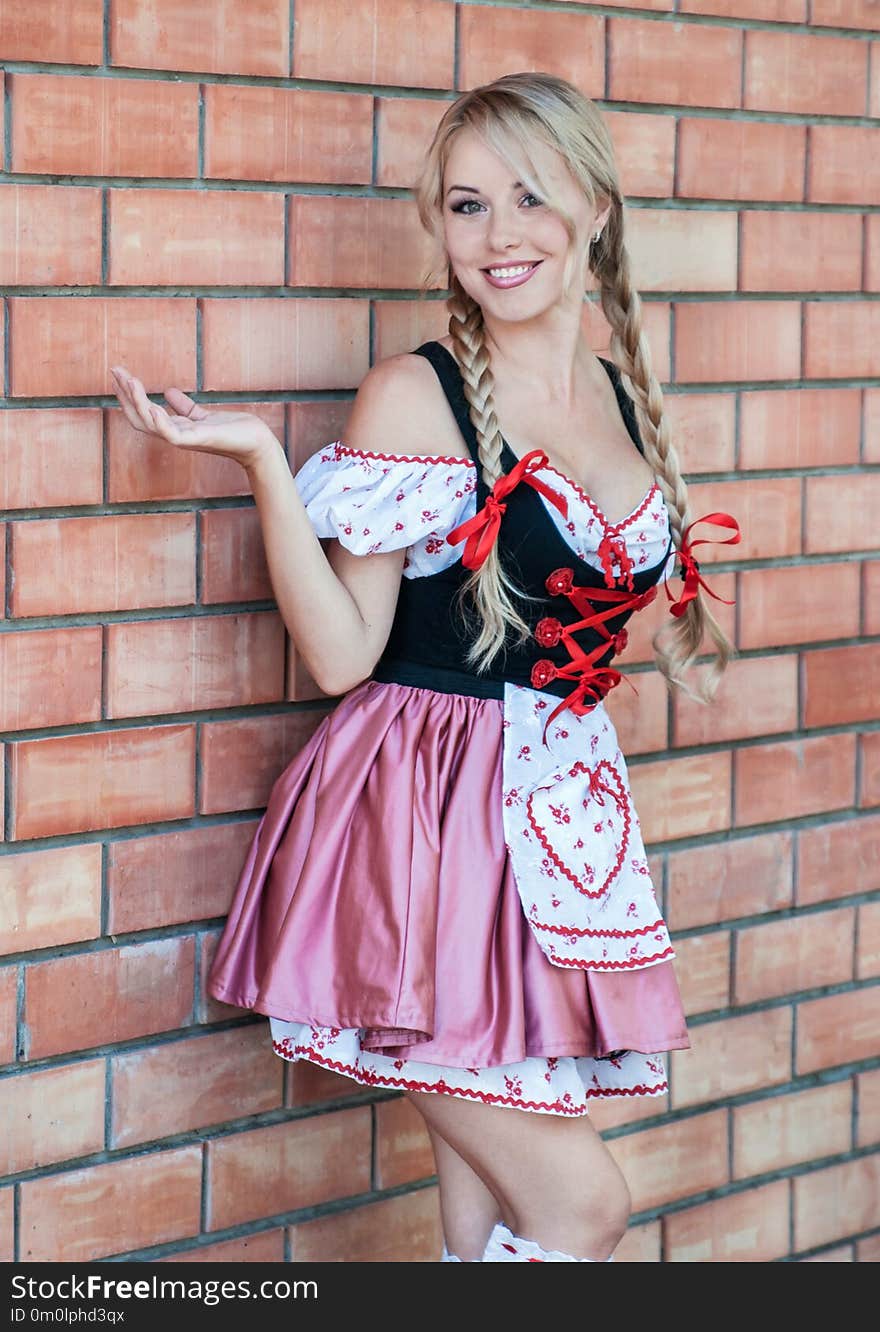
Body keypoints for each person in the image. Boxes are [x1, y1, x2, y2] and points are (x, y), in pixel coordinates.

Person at [111, 71, 740, 1264]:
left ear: (596, 209)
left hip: (550, 841)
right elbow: (345, 657)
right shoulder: (417, 394)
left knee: (486, 1215)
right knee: (580, 1209)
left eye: (528, 197)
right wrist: (257, 458)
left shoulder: (618, 399)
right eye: (464, 207)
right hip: (417, 834)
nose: (498, 237)